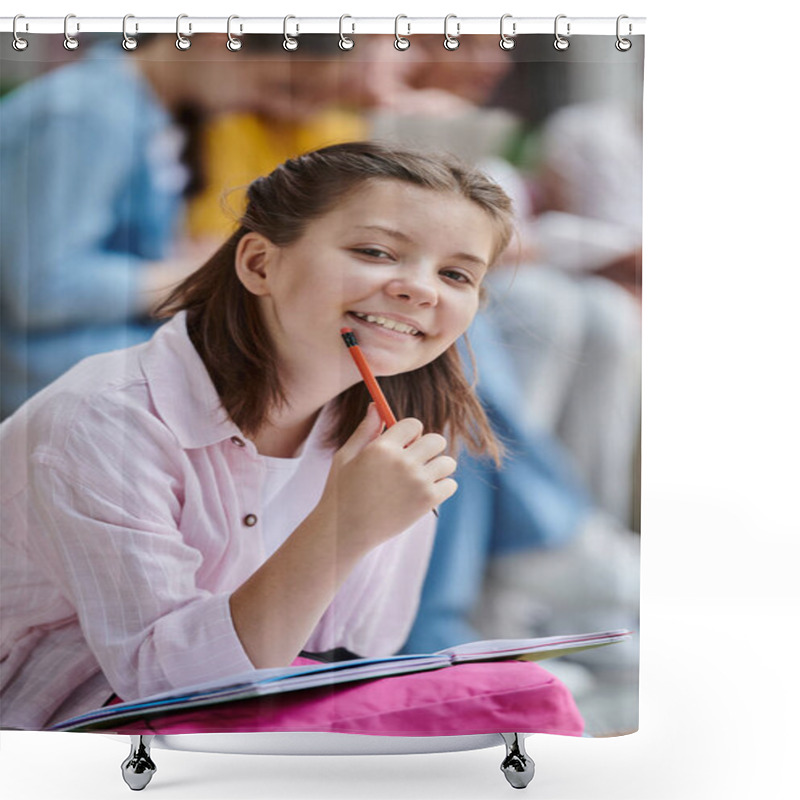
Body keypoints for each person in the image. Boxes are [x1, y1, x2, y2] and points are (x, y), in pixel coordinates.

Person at [0, 142, 514, 731]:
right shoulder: (103, 420)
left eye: (456, 275)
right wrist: (343, 526)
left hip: (241, 719)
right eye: (375, 251)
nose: (421, 289)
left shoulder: (399, 430)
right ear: (259, 264)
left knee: (516, 700)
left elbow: (351, 647)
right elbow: (167, 687)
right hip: (67, 737)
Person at [0, 34, 366, 417]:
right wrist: (200, 276)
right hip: (55, 392)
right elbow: (39, 287)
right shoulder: (87, 115)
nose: (273, 108)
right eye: (278, 86)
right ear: (218, 37)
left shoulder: (147, 113)